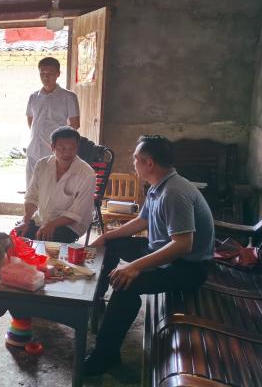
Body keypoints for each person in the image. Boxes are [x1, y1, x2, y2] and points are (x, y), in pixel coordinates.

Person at [84, 135, 214, 376]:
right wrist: (106, 236)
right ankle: (96, 301)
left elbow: (183, 245)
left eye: (136, 158)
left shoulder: (174, 193)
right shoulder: (158, 185)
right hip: (160, 250)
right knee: (112, 246)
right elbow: (142, 221)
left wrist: (135, 266)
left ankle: (105, 356)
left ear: (149, 163)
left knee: (125, 284)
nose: (133, 162)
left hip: (186, 268)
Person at [16, 126, 95, 243]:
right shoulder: (42, 165)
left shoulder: (87, 174)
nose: (67, 153)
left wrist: (51, 225)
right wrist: (25, 221)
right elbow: (32, 196)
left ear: (77, 148)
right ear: (52, 147)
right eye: (62, 148)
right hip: (42, 219)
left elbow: (76, 214)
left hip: (70, 225)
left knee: (48, 241)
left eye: (72, 148)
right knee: (17, 236)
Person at [25, 57, 80, 188]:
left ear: (58, 74)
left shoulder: (68, 97)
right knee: (32, 189)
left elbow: (75, 124)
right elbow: (31, 120)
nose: (46, 77)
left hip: (54, 152)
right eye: (42, 73)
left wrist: (60, 144)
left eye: (50, 73)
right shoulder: (34, 97)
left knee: (51, 189)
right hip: (34, 150)